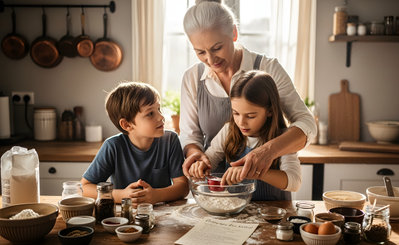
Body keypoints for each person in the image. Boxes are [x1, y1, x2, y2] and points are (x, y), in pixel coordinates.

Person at [180, 0, 316, 181]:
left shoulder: (268, 68)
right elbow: (191, 137)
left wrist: (266, 152)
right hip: (218, 192)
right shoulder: (192, 78)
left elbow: (307, 123)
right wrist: (197, 155)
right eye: (201, 52)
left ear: (234, 33)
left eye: (217, 48)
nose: (211, 60)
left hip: (272, 201)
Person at [187, 71, 301, 200]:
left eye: (250, 116)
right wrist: (200, 166)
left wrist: (253, 171)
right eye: (236, 113)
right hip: (236, 210)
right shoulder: (229, 130)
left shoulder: (283, 138)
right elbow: (210, 159)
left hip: (272, 215)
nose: (241, 122)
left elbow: (294, 182)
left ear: (269, 111)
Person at [81, 82, 189, 205]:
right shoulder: (113, 147)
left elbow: (183, 187)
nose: (161, 117)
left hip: (164, 215)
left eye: (158, 109)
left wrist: (156, 196)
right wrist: (120, 195)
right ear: (127, 125)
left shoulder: (170, 140)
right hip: (125, 216)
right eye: (150, 113)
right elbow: (85, 187)